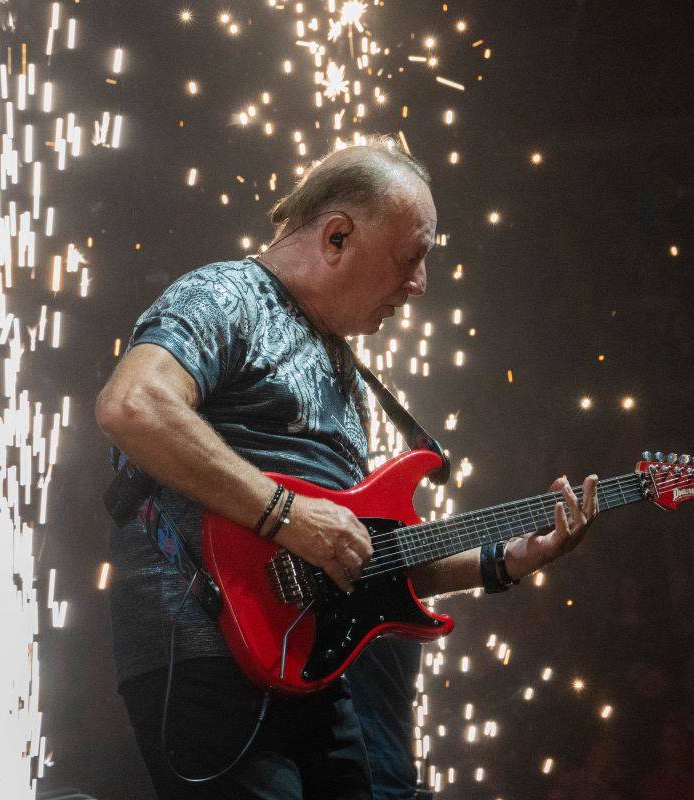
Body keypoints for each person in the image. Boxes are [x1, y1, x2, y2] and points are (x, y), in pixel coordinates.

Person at [94, 134, 600, 799]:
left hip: (310, 664)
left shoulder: (345, 372)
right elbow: (132, 405)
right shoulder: (226, 295)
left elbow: (354, 554)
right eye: (410, 258)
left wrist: (505, 560)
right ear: (337, 237)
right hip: (203, 648)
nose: (418, 285)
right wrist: (287, 515)